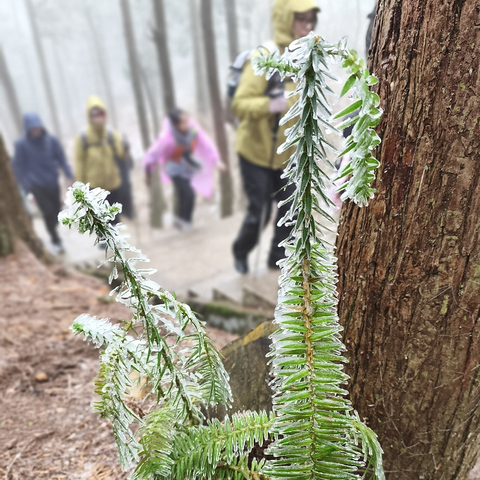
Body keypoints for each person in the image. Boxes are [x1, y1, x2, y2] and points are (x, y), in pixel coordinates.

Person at [232, 0, 320, 274]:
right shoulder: (265, 54)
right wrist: (269, 106)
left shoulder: (308, 57)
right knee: (260, 212)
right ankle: (241, 251)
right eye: (301, 19)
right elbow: (240, 104)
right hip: (256, 153)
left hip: (288, 156)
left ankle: (275, 262)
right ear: (285, 19)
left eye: (310, 20)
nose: (307, 26)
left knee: (290, 212)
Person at [143, 109, 225, 231]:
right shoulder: (166, 138)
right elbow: (153, 154)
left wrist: (217, 161)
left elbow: (206, 143)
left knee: (184, 195)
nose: (188, 124)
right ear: (176, 125)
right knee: (189, 194)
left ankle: (182, 221)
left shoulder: (193, 130)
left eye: (188, 120)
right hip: (174, 169)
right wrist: (147, 173)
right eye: (183, 122)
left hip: (188, 166)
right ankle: (186, 222)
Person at [12, 113, 73, 254]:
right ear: (28, 128)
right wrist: (28, 190)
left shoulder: (51, 140)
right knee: (47, 212)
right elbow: (19, 168)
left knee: (56, 209)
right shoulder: (21, 145)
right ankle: (55, 240)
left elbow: (61, 158)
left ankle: (54, 226)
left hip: (52, 181)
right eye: (32, 128)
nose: (36, 131)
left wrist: (69, 174)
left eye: (37, 127)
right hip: (36, 185)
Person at [74, 96, 127, 222]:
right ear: (89, 116)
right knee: (100, 218)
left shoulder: (111, 134)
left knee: (114, 216)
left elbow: (121, 155)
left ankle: (115, 239)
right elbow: (79, 163)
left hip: (113, 184)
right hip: (94, 187)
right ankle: (104, 240)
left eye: (100, 114)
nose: (98, 118)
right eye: (94, 115)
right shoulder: (83, 137)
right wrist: (80, 189)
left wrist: (126, 148)